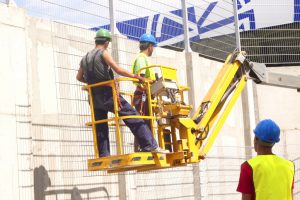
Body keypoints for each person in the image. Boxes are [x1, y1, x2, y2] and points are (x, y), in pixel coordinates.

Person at [76, 28, 168, 157]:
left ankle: (104, 155)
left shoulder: (85, 58)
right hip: (108, 94)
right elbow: (118, 69)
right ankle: (150, 145)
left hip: (93, 96)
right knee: (132, 116)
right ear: (107, 42)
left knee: (100, 125)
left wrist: (93, 84)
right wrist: (137, 77)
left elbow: (79, 77)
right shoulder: (103, 53)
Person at [237, 119, 294, 200]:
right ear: (274, 142)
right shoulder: (289, 166)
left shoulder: (248, 167)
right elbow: (291, 196)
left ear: (256, 139)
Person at [132, 33, 157, 151]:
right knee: (143, 121)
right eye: (153, 47)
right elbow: (140, 77)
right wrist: (151, 82)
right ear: (150, 46)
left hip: (145, 95)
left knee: (145, 121)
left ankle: (148, 146)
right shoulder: (141, 58)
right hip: (142, 94)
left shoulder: (143, 58)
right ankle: (143, 147)